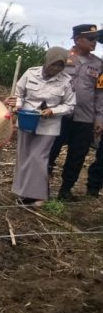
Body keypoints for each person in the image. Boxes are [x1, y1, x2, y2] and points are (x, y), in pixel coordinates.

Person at [5, 47, 75, 206]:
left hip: (49, 125)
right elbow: (19, 94)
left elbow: (70, 105)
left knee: (38, 158)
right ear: (47, 61)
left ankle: (38, 196)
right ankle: (22, 193)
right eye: (54, 65)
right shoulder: (30, 73)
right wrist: (17, 105)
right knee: (24, 156)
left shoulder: (66, 81)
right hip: (26, 120)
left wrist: (53, 110)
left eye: (60, 66)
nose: (56, 69)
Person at [48, 24, 103, 200]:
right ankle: (40, 187)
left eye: (96, 39)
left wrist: (100, 117)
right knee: (50, 151)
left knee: (77, 156)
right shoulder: (61, 58)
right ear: (78, 39)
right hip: (60, 115)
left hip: (85, 117)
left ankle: (65, 190)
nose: (95, 43)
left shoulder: (99, 65)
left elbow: (100, 93)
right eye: (91, 39)